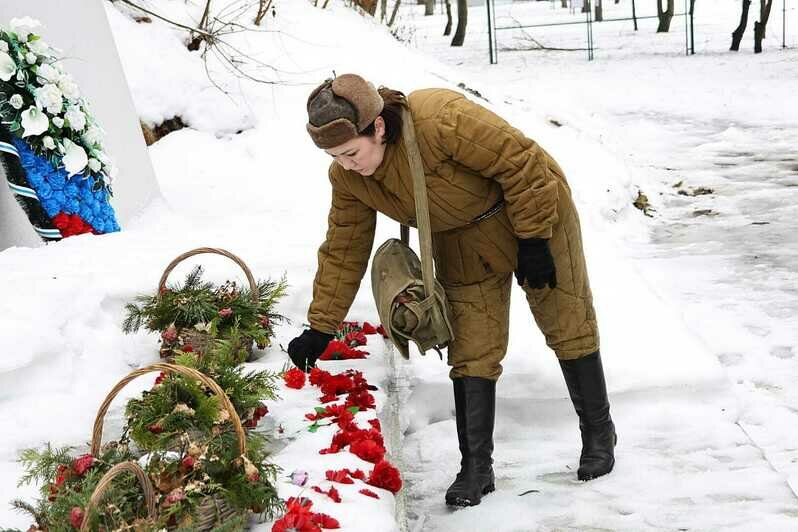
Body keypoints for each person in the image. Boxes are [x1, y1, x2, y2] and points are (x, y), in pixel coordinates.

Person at [287, 73, 616, 507]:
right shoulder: (349, 179)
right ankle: (476, 467)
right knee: (473, 349)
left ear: (378, 127)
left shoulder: (441, 119)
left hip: (533, 214)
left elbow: (523, 162)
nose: (347, 164)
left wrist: (534, 239)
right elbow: (344, 247)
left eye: (351, 152)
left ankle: (599, 433)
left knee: (566, 319)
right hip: (461, 240)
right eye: (335, 156)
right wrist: (322, 326)